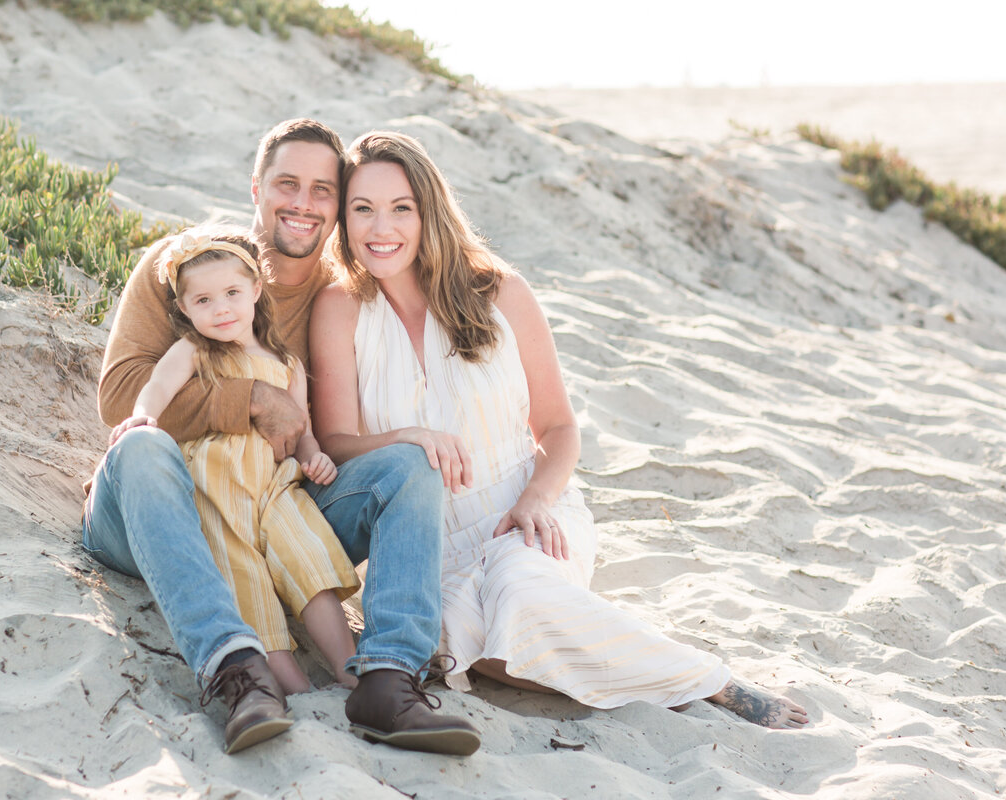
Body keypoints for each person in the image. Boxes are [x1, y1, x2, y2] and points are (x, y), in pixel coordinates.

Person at [309, 131, 810, 730]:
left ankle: (712, 682)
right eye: (362, 208)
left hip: (520, 510)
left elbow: (558, 427)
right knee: (468, 639)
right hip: (423, 543)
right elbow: (338, 443)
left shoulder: (497, 293)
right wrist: (409, 436)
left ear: (429, 212)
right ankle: (650, 672)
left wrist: (536, 499)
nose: (379, 227)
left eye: (400, 208)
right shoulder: (340, 306)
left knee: (522, 598)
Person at [84, 119, 480, 756]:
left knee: (411, 466)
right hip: (159, 512)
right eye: (287, 184)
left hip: (272, 499)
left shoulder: (339, 296)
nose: (303, 203)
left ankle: (387, 678)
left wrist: (355, 439)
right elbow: (120, 396)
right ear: (256, 188)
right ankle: (237, 673)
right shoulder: (187, 265)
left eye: (322, 190)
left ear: (339, 206)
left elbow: (320, 432)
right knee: (140, 445)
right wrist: (250, 399)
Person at [107, 226, 360, 696]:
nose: (220, 308)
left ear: (256, 291)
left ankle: (349, 668)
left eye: (231, 293)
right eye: (202, 301)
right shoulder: (194, 351)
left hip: (277, 488)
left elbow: (300, 428)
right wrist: (143, 419)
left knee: (309, 559)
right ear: (183, 309)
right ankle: (295, 687)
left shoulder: (285, 361)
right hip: (219, 489)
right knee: (248, 583)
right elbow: (156, 389)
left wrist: (314, 458)